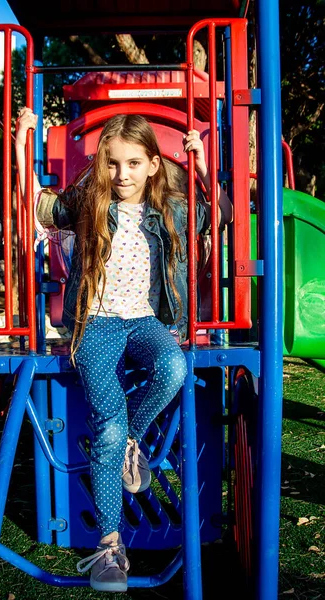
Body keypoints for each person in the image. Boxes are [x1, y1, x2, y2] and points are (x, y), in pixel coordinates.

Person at [15, 108, 232, 593]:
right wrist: (21, 143)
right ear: (101, 165)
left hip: (144, 322)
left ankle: (134, 439)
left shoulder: (170, 209)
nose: (122, 175)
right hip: (95, 324)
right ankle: (109, 546)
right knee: (107, 431)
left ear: (153, 164)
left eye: (133, 163)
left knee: (173, 365)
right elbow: (39, 207)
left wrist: (199, 162)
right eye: (112, 164)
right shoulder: (90, 203)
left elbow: (219, 212)